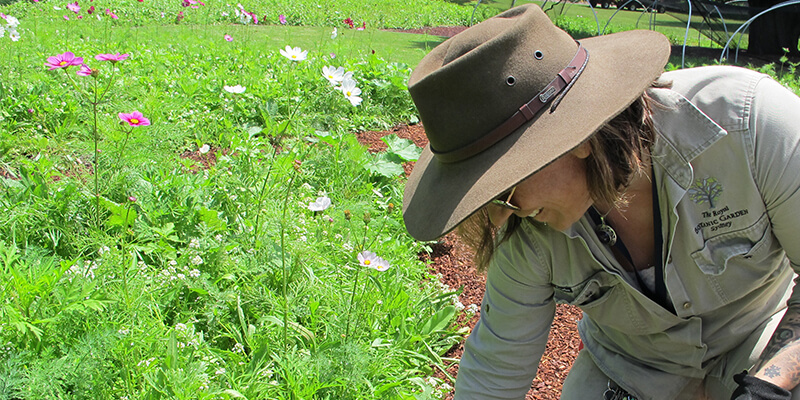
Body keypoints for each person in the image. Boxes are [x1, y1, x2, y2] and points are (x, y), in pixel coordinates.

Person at [401, 4, 800, 400]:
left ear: (575, 138)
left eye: (503, 186)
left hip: (758, 343)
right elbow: (493, 375)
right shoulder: (525, 227)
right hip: (631, 371)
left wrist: (768, 388)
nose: (504, 212)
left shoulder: (750, 126)